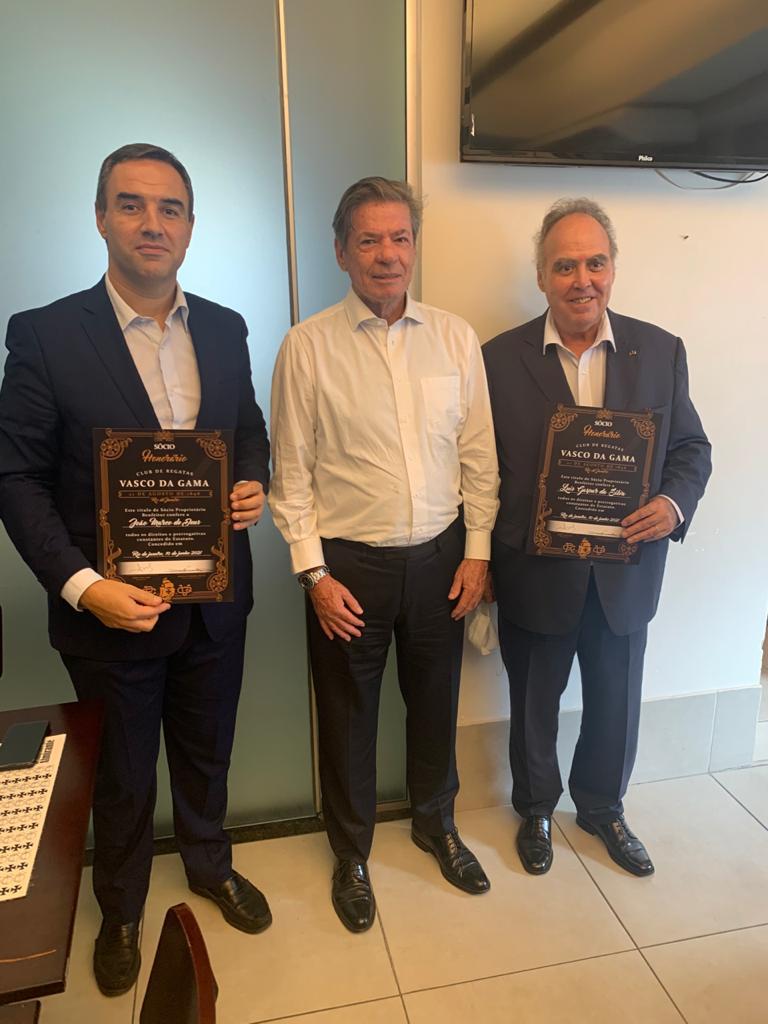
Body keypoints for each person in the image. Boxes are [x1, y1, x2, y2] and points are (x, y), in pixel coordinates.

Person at [0, 143, 272, 996]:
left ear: (190, 226)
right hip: (110, 611)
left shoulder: (224, 327)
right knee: (120, 773)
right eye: (132, 204)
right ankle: (120, 907)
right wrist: (85, 588)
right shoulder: (45, 334)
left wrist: (253, 481)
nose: (153, 223)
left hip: (215, 602)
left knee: (207, 750)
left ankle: (209, 862)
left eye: (170, 208)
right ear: (100, 218)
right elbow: (15, 477)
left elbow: (247, 429)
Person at [269, 177, 499, 932]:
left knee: (435, 703)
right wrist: (313, 574)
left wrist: (476, 551)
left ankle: (437, 824)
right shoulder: (306, 347)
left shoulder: (454, 338)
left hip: (441, 562)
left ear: (415, 247)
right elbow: (290, 475)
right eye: (368, 239)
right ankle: (352, 853)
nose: (387, 254)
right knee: (347, 716)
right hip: (348, 569)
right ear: (341, 252)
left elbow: (478, 455)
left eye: (400, 237)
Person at [483, 198, 711, 878]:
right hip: (534, 571)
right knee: (534, 703)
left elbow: (691, 449)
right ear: (541, 276)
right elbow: (478, 467)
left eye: (595, 263)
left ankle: (603, 808)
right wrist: (481, 556)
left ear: (612, 269)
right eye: (564, 266)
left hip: (626, 573)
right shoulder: (495, 359)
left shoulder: (661, 350)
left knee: (616, 701)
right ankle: (535, 809)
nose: (581, 280)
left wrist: (672, 505)